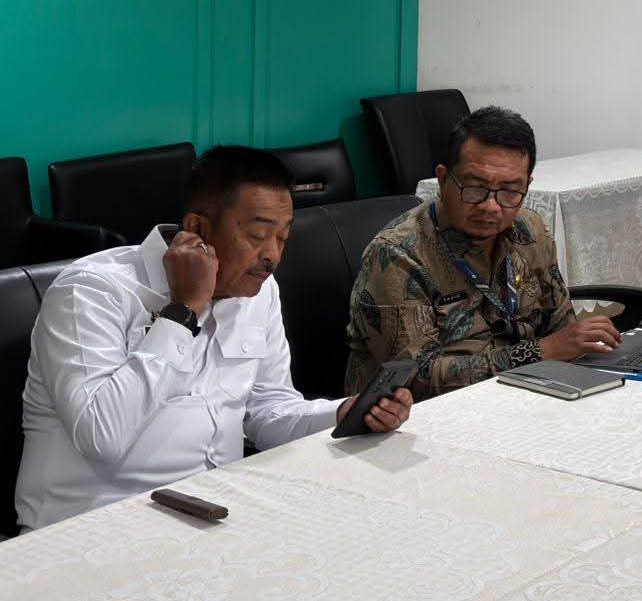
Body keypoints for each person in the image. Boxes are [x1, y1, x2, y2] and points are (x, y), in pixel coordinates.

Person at [14, 145, 412, 530]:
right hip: (91, 526)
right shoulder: (91, 291)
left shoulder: (258, 292)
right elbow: (101, 436)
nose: (273, 256)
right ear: (198, 229)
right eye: (258, 235)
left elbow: (267, 411)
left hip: (214, 513)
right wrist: (183, 311)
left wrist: (342, 414)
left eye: (282, 237)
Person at [346, 106, 621, 399]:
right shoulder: (397, 255)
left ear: (527, 186)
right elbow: (414, 377)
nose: (491, 206)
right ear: (442, 179)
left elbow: (560, 325)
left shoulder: (530, 230)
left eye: (510, 191)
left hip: (526, 392)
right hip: (427, 413)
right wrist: (538, 353)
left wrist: (578, 342)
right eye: (475, 188)